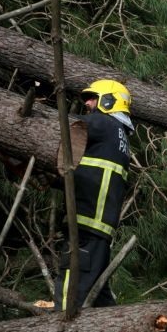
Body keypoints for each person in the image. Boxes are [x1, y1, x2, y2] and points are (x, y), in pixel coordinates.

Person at [54, 79, 134, 310]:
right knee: (98, 296)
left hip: (87, 221)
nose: (87, 103)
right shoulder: (119, 136)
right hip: (99, 226)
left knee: (71, 293)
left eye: (93, 98)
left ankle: (62, 330)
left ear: (109, 101)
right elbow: (89, 172)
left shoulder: (102, 123)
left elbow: (63, 128)